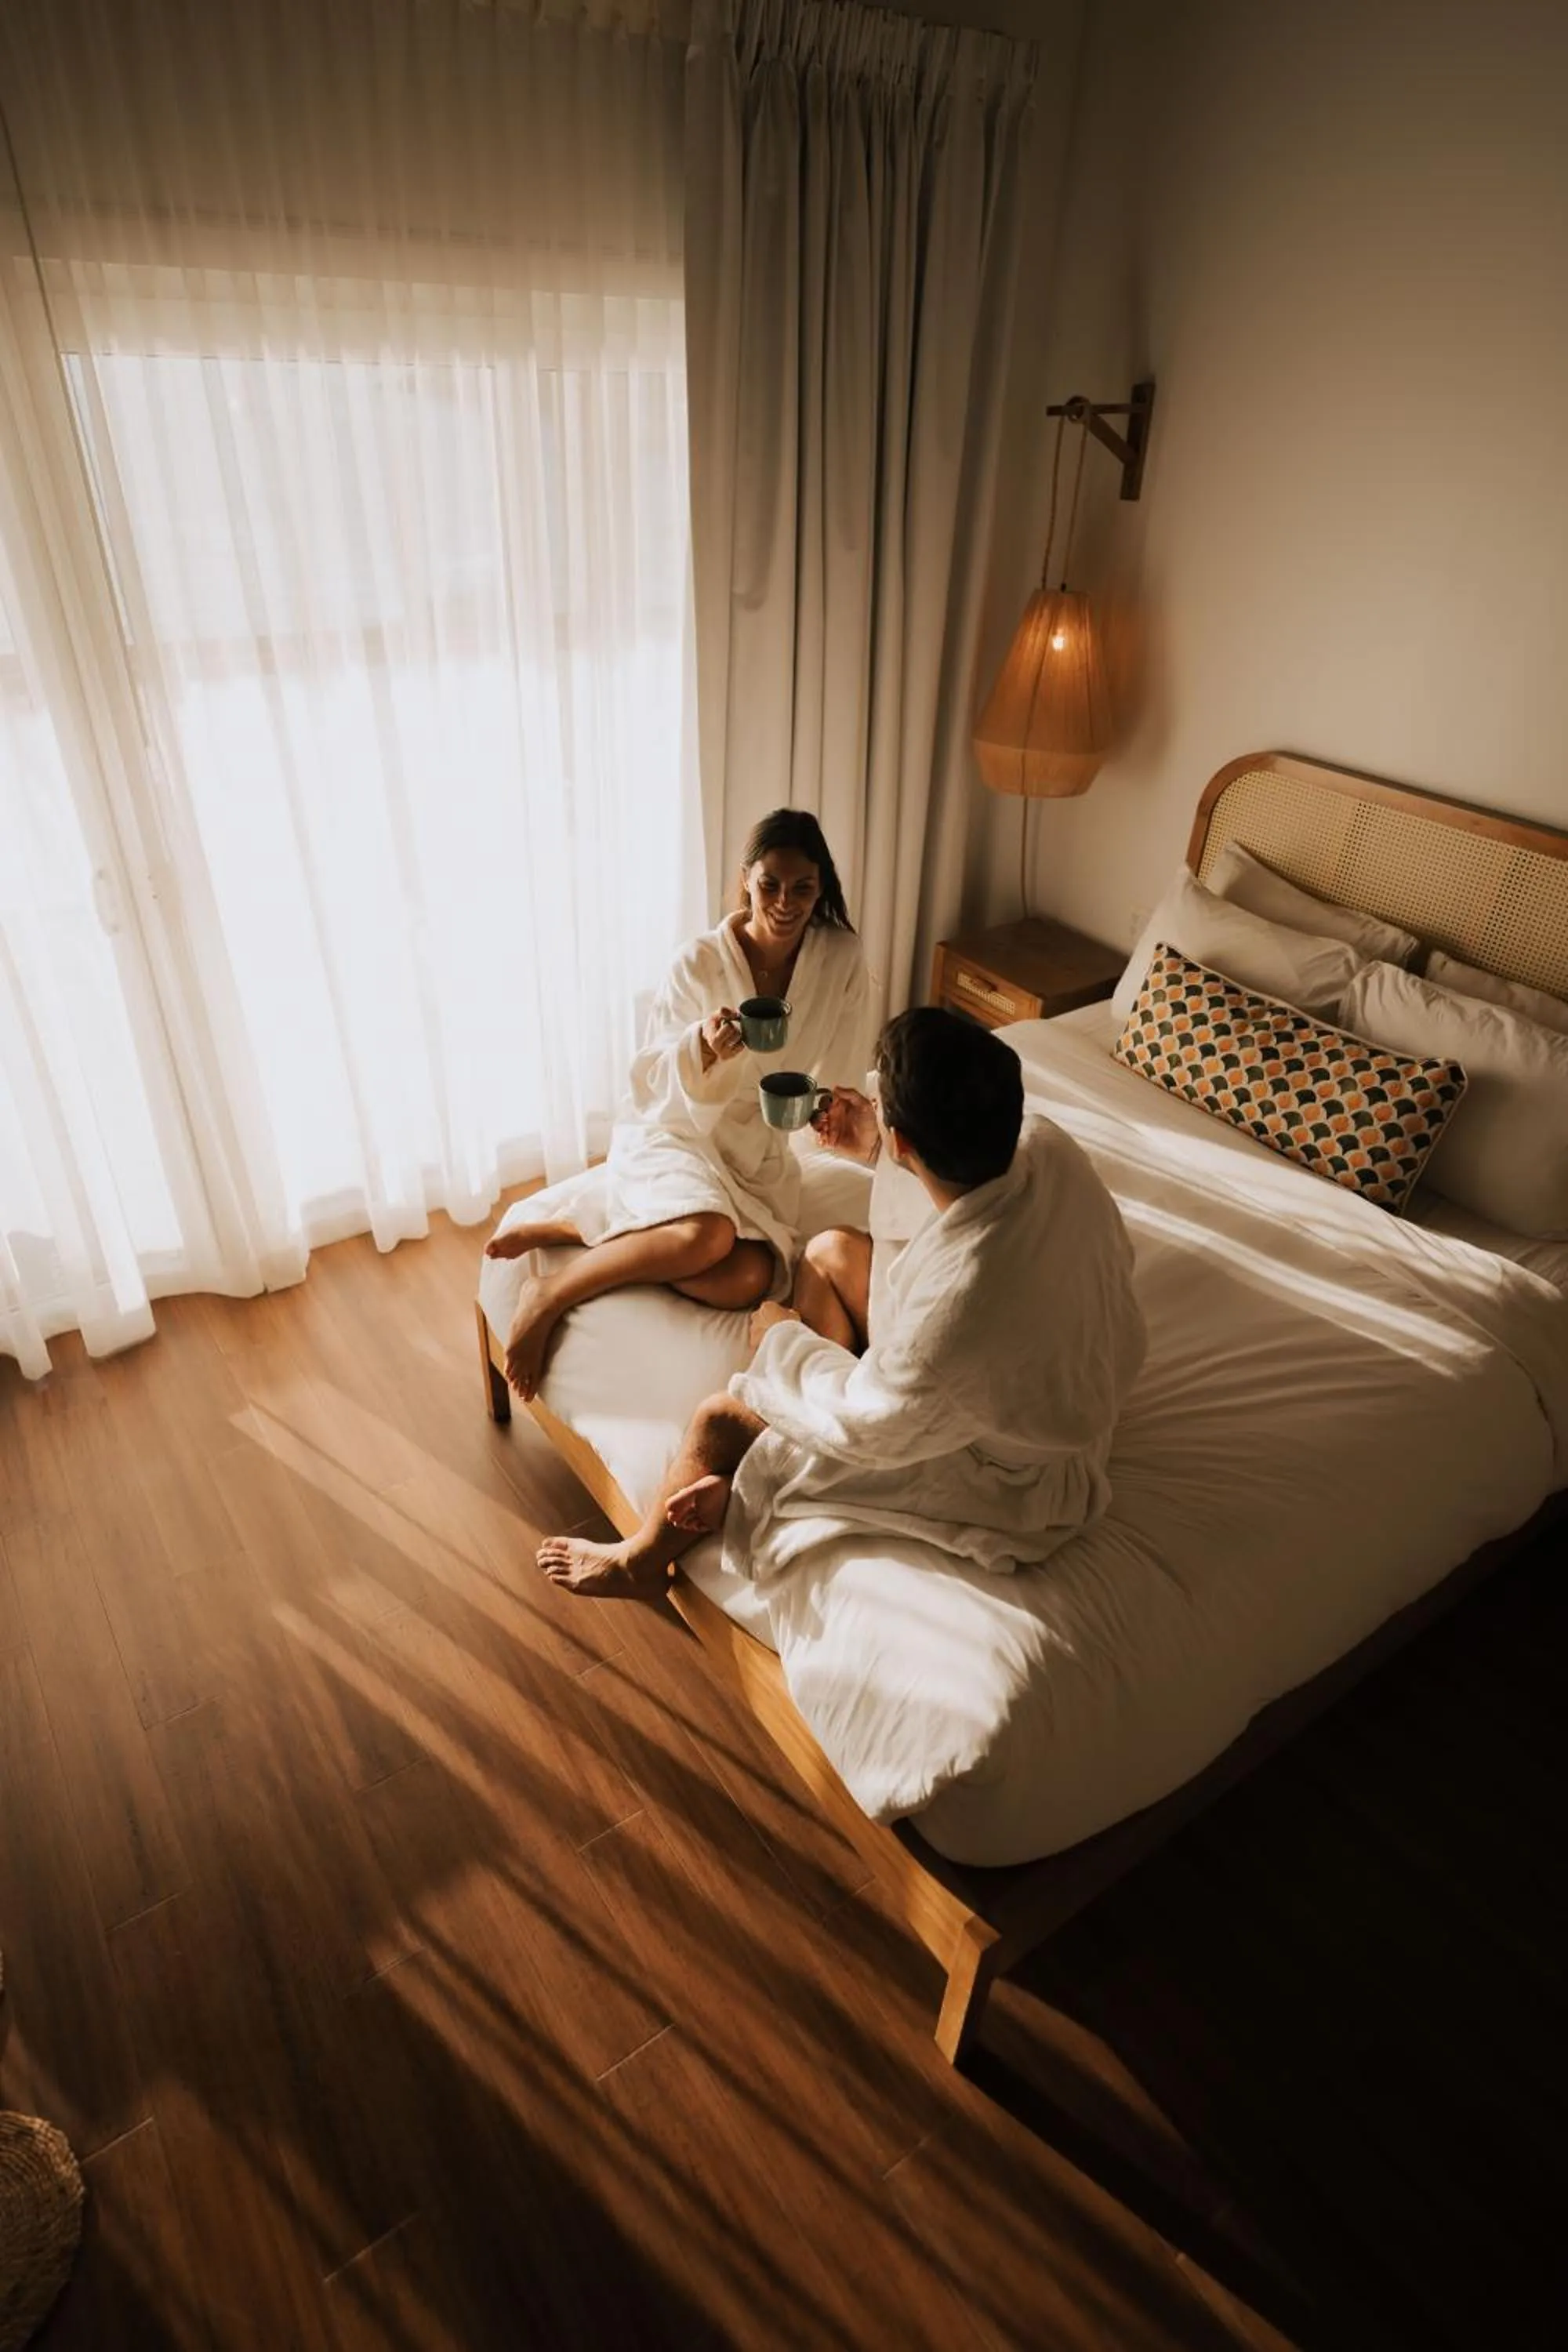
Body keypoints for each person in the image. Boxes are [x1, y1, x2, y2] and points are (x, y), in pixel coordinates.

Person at [537, 1007, 1146, 1597]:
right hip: (1014, 1364)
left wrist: (781, 1339)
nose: (872, 1109)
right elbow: (964, 1226)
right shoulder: (1047, 1146)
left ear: (907, 1136)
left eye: (881, 1110)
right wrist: (881, 1151)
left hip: (1005, 1460)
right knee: (829, 1252)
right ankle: (753, 1467)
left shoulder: (958, 1312)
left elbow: (866, 1422)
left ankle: (641, 1561)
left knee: (719, 1421)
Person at [485, 810, 875, 1399]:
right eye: (769, 884)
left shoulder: (840, 957)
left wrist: (833, 1110)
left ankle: (595, 1230)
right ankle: (552, 1293)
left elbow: (840, 1069)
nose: (785, 902)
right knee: (707, 1236)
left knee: (751, 1277)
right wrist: (702, 1050)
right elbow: (647, 1082)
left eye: (803, 887)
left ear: (822, 888)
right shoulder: (697, 963)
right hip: (677, 1130)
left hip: (757, 1150)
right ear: (746, 879)